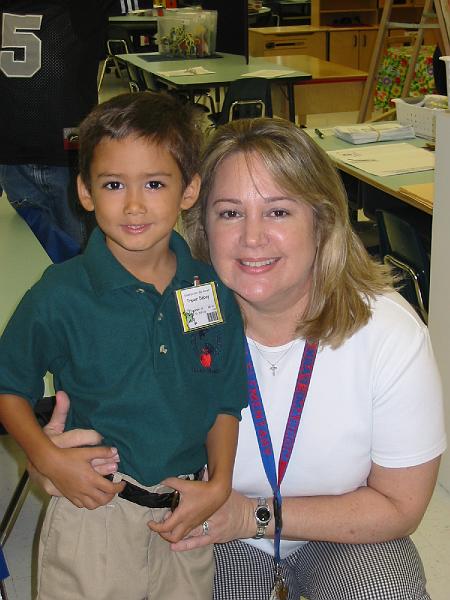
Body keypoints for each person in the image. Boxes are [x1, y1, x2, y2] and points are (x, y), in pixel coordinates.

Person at [33, 117, 445, 600]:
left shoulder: (388, 332)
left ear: (322, 219)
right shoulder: (154, 317)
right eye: (229, 213)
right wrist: (55, 464)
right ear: (199, 221)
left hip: (336, 529)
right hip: (202, 522)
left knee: (386, 590)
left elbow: (401, 505)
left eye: (277, 212)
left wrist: (254, 513)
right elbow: (88, 430)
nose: (252, 238)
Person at [0, 92, 247, 600]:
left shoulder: (210, 290)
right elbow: (8, 386)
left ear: (189, 189)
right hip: (95, 507)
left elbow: (225, 397)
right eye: (114, 184)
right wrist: (45, 457)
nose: (134, 205)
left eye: (154, 183)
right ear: (85, 192)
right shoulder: (60, 294)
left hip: (186, 512)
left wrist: (219, 483)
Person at [0, 0, 152, 263]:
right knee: (70, 258)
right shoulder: (83, 8)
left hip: (27, 157)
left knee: (45, 258)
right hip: (56, 156)